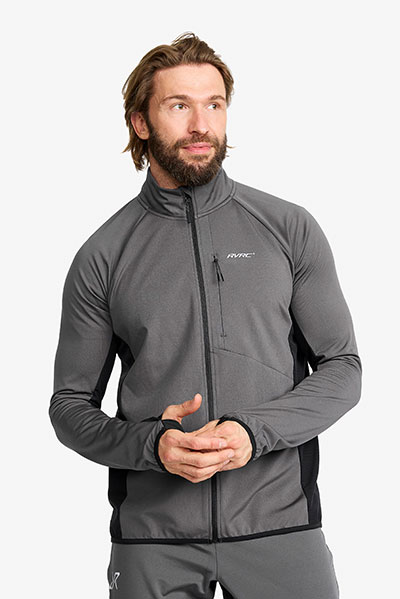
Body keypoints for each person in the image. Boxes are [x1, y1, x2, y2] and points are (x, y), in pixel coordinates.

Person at [49, 31, 362, 598]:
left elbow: (343, 370)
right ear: (141, 123)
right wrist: (153, 446)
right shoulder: (104, 255)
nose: (201, 125)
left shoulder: (288, 229)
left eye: (214, 105)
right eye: (179, 106)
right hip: (153, 539)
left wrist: (251, 433)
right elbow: (69, 408)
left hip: (280, 527)